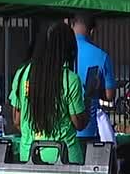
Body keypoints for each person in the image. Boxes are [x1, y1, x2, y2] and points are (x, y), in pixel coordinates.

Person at [10, 22, 88, 164]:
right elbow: (79, 123)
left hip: (29, 156)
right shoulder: (69, 79)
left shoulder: (22, 74)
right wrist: (87, 100)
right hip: (65, 158)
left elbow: (16, 121)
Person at [70, 11, 116, 143]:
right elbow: (110, 95)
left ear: (72, 25)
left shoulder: (61, 54)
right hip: (88, 130)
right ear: (92, 31)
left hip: (63, 131)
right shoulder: (102, 56)